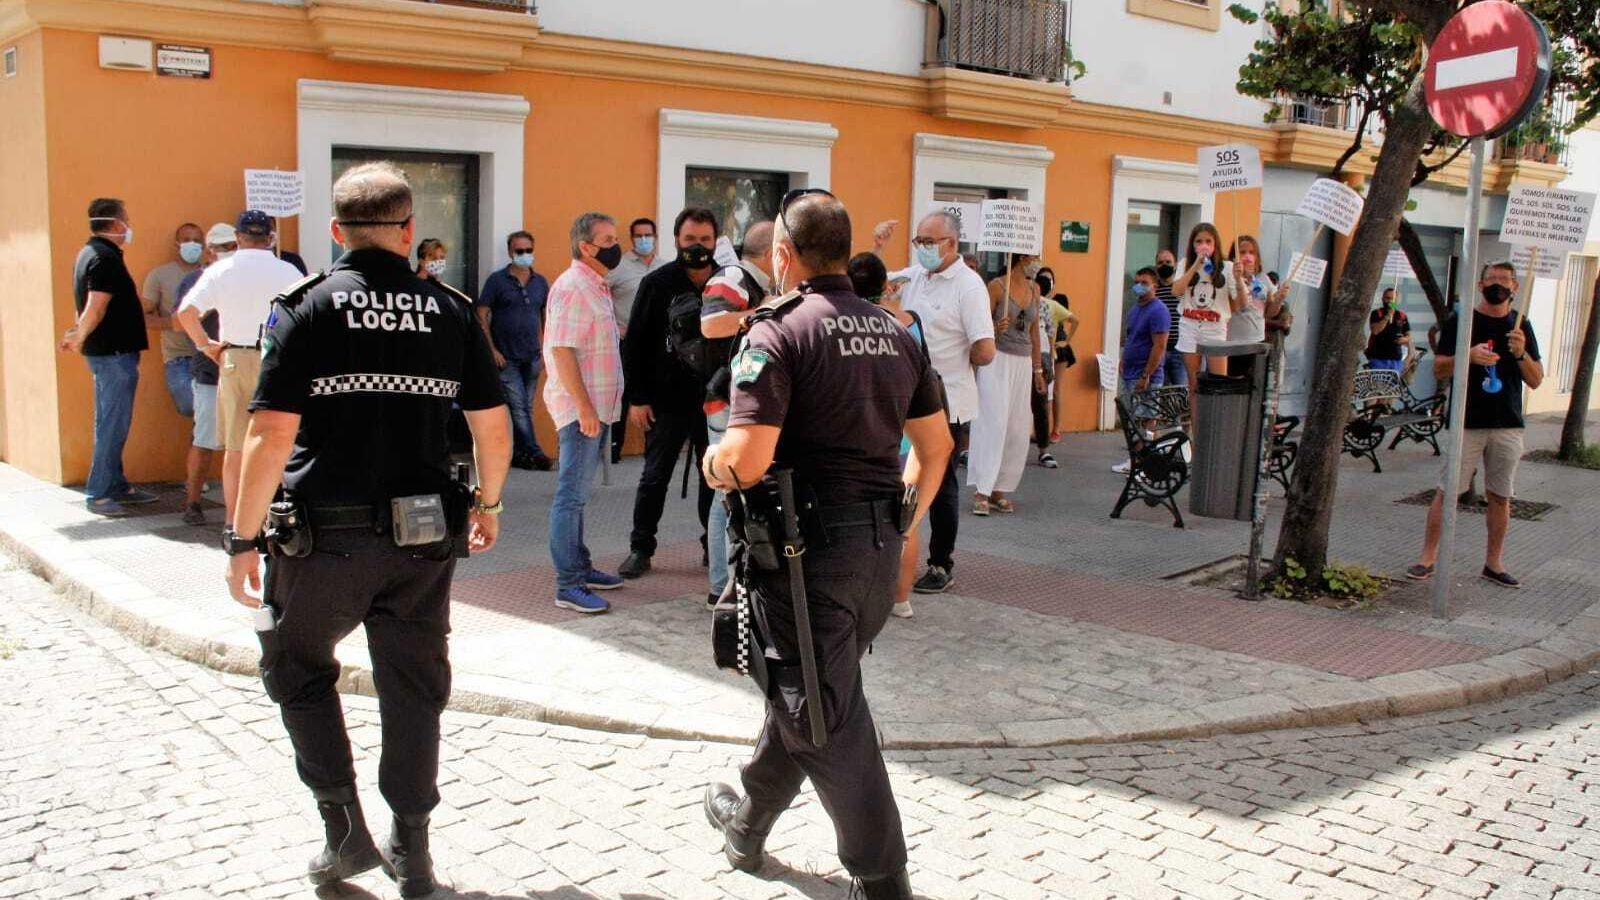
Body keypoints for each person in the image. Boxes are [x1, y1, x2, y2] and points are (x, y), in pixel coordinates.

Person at [222, 161, 511, 898]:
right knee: (414, 686)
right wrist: (490, 504)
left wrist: (242, 538)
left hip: (325, 540)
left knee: (295, 666)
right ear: (410, 231)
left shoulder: (306, 306)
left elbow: (270, 433)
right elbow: (493, 424)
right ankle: (412, 851)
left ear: (334, 230)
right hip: (423, 542)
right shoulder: (449, 309)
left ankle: (344, 832)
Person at [700, 191, 951, 900]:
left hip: (804, 559)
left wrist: (714, 463)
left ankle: (882, 879)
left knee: (823, 713)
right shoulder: (896, 331)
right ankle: (746, 825)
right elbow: (936, 449)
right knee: (810, 690)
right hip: (872, 557)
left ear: (784, 257)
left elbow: (746, 460)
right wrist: (900, 520)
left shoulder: (778, 331)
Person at [874, 213, 994, 594]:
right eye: (918, 240)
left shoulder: (969, 286)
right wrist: (877, 247)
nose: (922, 247)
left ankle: (941, 563)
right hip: (903, 396)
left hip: (946, 398)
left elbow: (986, 349)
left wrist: (967, 352)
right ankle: (896, 552)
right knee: (902, 475)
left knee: (939, 483)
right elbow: (864, 279)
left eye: (930, 241)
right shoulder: (914, 276)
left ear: (951, 245)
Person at [1408, 261, 1542, 589]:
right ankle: (1428, 557)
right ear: (1480, 285)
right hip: (1467, 421)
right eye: (1492, 279)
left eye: (1504, 280)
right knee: (1448, 491)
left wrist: (1522, 353)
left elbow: (1536, 380)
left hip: (1507, 423)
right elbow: (1439, 369)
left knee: (1500, 495)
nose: (1498, 285)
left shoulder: (1521, 325)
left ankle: (1493, 563)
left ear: (1515, 288)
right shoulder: (1462, 321)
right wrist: (1467, 356)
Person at [175, 209, 304, 526]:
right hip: (275, 357)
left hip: (232, 357)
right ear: (270, 237)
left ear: (238, 237)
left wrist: (207, 346)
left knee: (235, 448)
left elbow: (185, 313)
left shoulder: (222, 270)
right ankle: (274, 516)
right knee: (279, 441)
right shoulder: (287, 271)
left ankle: (235, 523)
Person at [617, 208, 721, 579]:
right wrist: (638, 398)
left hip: (715, 400)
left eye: (705, 240)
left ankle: (715, 548)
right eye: (691, 239)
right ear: (677, 240)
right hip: (666, 401)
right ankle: (641, 548)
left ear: (716, 241)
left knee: (715, 477)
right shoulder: (657, 283)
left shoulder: (726, 282)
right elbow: (635, 345)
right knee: (654, 476)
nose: (698, 247)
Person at [545, 212, 628, 613]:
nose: (618, 245)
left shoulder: (595, 285)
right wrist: (583, 407)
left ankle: (581, 567)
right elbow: (562, 350)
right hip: (582, 412)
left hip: (595, 409)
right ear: (587, 246)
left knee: (578, 497)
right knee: (570, 498)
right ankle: (568, 584)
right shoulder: (574, 286)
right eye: (609, 239)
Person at [61, 198, 158, 517]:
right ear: (117, 224)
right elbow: (96, 305)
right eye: (126, 220)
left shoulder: (91, 254)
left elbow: (85, 306)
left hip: (111, 354)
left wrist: (78, 331)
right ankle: (100, 493)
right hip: (113, 355)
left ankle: (116, 484)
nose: (129, 225)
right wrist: (80, 335)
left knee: (115, 421)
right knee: (111, 424)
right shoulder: (104, 258)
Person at [848, 251, 927, 619]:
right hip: (907, 430)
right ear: (885, 285)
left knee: (858, 516)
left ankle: (861, 593)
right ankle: (901, 598)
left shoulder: (845, 322)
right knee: (906, 516)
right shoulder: (910, 322)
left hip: (863, 429)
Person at [700, 222, 774, 609]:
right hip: (727, 401)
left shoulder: (752, 280)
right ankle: (721, 587)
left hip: (741, 398)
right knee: (726, 493)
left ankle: (731, 583)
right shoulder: (733, 276)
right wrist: (768, 311)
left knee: (739, 493)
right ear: (769, 252)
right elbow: (711, 324)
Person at [969, 253, 1044, 515]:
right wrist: (994, 327)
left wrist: (1038, 369)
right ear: (1022, 258)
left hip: (1022, 362)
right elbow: (979, 323)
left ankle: (1000, 487)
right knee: (993, 422)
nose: (1038, 261)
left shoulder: (1036, 288)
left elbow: (1035, 331)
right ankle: (982, 488)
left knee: (1016, 426)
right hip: (997, 360)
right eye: (1035, 256)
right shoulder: (997, 286)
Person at [173, 222, 238, 526]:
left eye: (231, 247)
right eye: (222, 248)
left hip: (239, 368)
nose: (226, 253)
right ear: (210, 251)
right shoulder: (195, 280)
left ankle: (239, 511)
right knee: (205, 440)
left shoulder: (243, 277)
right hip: (209, 371)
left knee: (241, 444)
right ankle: (193, 502)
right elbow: (179, 320)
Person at [475, 231, 554, 472]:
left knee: (526, 407)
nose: (524, 255)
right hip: (505, 356)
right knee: (519, 406)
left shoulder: (540, 282)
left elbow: (547, 316)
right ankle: (535, 452)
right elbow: (481, 314)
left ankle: (520, 455)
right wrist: (492, 350)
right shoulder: (497, 281)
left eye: (528, 250)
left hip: (531, 355)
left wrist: (545, 350)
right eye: (519, 251)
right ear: (510, 253)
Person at [607, 217, 671, 462]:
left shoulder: (665, 267)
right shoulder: (618, 267)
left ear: (655, 237)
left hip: (658, 345)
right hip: (626, 342)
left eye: (648, 235)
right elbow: (600, 299)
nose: (644, 240)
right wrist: (614, 328)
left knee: (656, 396)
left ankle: (655, 449)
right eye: (639, 236)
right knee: (623, 398)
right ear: (632, 238)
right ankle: (613, 450)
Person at [1111, 268, 1171, 475]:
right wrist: (1123, 359)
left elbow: (1159, 345)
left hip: (1146, 375)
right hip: (1130, 371)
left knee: (1147, 420)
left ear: (1154, 285)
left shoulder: (1159, 311)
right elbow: (1131, 337)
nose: (1139, 285)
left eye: (1144, 282)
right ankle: (1134, 459)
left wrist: (1146, 374)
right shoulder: (1135, 309)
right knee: (1134, 419)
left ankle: (1145, 462)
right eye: (1137, 281)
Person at [1172, 223, 1236, 417]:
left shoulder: (1228, 268)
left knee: (1219, 382)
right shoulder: (1185, 264)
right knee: (1194, 384)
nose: (1204, 245)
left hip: (1215, 328)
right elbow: (1176, 290)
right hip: (1190, 327)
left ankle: (1218, 427)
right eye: (1199, 241)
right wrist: (1195, 265)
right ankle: (1196, 433)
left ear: (1215, 244)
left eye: (1208, 241)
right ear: (1193, 245)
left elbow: (1237, 303)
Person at [141, 222, 204, 418]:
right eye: (186, 240)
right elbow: (143, 316)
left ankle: (200, 446)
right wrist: (176, 323)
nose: (192, 244)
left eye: (197, 240)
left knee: (210, 410)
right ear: (177, 245)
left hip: (209, 356)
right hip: (179, 357)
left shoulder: (212, 273)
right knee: (189, 405)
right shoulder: (160, 275)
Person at [1153, 248, 1186, 389]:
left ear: (1175, 265)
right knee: (1161, 396)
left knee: (1182, 394)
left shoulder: (1181, 289)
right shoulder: (1153, 290)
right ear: (1156, 266)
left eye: (1168, 262)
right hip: (1159, 350)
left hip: (1180, 350)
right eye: (1160, 262)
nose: (1164, 265)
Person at [1367, 287, 1411, 372]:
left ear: (1396, 300)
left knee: (1392, 384)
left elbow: (1408, 336)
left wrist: (1404, 339)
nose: (1390, 301)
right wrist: (1387, 316)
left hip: (1396, 359)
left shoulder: (1402, 316)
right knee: (1379, 384)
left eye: (1392, 299)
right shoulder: (1377, 313)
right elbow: (1375, 331)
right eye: (1387, 298)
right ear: (1383, 299)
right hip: (1378, 358)